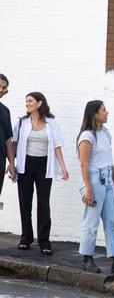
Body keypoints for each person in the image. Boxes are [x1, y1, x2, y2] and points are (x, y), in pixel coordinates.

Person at [77, 100, 114, 275]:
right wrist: (88, 189)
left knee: (112, 221)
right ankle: (87, 258)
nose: (107, 112)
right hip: (93, 181)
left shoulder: (105, 133)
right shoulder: (87, 136)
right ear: (95, 113)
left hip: (107, 179)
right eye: (103, 110)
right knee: (92, 221)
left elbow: (110, 162)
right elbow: (84, 165)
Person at [13, 92, 68, 254]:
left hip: (44, 164)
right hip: (26, 164)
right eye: (26, 102)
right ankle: (26, 238)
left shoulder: (52, 123)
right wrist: (12, 164)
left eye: (30, 101)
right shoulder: (22, 123)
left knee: (43, 203)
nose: (27, 104)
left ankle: (44, 241)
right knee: (25, 202)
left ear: (39, 103)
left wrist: (63, 168)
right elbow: (14, 144)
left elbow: (57, 146)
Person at [0, 74, 17, 197]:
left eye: (4, 88)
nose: (1, 90)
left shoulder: (5, 111)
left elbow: (8, 139)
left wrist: (11, 163)